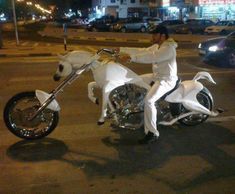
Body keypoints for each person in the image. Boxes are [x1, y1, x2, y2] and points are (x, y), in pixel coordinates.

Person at [117, 25, 178, 144]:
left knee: (149, 100)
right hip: (156, 76)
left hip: (166, 80)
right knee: (133, 80)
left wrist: (131, 58)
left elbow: (151, 57)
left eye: (155, 34)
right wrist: (121, 49)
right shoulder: (157, 46)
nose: (152, 36)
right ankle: (134, 109)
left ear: (162, 36)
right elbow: (143, 51)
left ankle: (152, 133)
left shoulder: (168, 48)